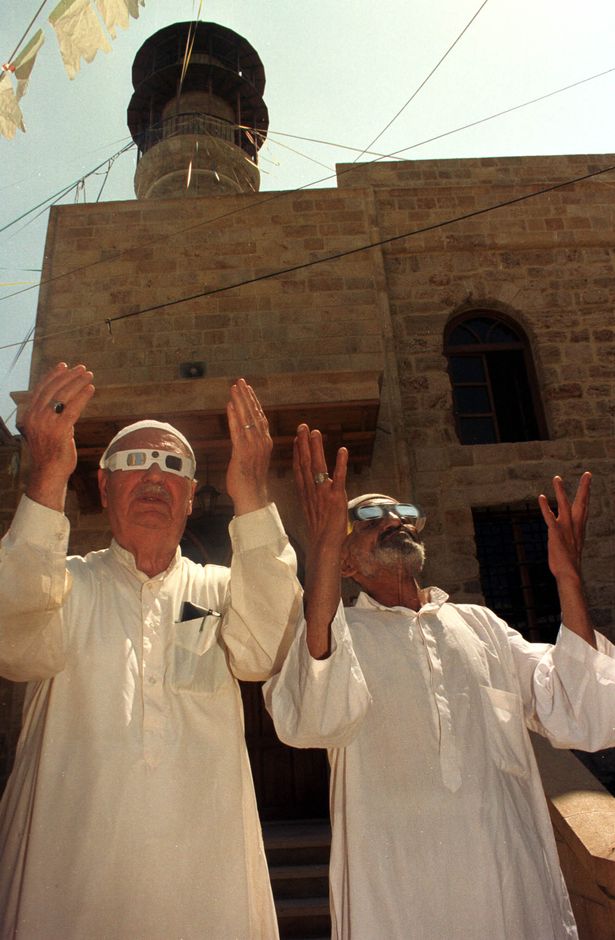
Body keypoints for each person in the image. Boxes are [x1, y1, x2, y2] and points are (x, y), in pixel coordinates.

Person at [264, 424, 615, 940]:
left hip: (513, 893)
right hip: (400, 900)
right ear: (345, 562)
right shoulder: (337, 637)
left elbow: (582, 712)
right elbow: (311, 717)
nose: (393, 521)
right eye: (366, 517)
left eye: (403, 514)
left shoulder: (481, 626)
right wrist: (318, 550)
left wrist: (567, 577)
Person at [0, 361, 302, 940]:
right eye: (134, 463)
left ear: (192, 498)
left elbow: (265, 650)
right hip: (66, 886)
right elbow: (13, 644)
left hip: (207, 883)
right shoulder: (62, 584)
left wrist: (254, 495)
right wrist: (44, 477)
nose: (155, 477)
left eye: (174, 466)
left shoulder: (218, 590)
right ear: (104, 487)